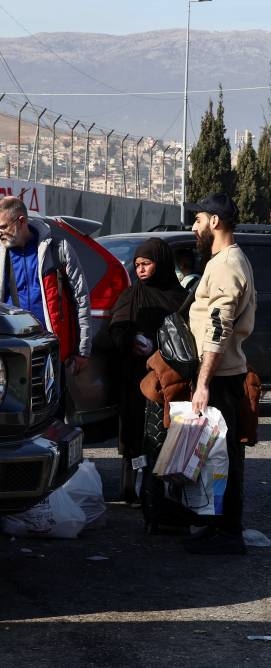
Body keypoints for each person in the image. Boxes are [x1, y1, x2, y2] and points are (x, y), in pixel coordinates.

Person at [182, 193, 256, 555]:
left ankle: (229, 533)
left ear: (214, 221)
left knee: (224, 457)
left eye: (197, 220)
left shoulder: (227, 264)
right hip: (220, 374)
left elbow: (219, 326)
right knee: (214, 456)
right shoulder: (221, 261)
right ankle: (217, 525)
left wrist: (203, 383)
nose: (194, 227)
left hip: (222, 378)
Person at [105, 239, 187, 503]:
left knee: (168, 432)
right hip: (137, 378)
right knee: (135, 430)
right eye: (137, 264)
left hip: (169, 378)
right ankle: (133, 489)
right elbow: (116, 328)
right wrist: (131, 341)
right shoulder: (132, 295)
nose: (140, 269)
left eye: (146, 264)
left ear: (161, 264)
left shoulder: (179, 297)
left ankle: (166, 492)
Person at [0, 196, 91, 387]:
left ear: (21, 221)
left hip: (52, 353)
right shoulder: (2, 256)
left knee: (53, 411)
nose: (0, 233)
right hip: (11, 355)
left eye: (2, 227)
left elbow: (81, 300)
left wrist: (82, 350)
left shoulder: (57, 249)